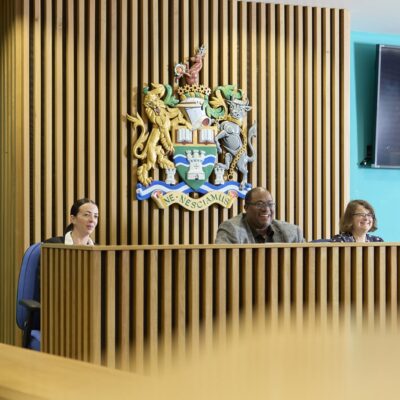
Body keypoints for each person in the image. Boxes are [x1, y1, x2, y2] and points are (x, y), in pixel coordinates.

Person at [215, 187, 305, 244]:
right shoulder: (231, 229)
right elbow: (222, 263)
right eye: (259, 204)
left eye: (270, 204)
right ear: (246, 208)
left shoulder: (292, 233)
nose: (266, 209)